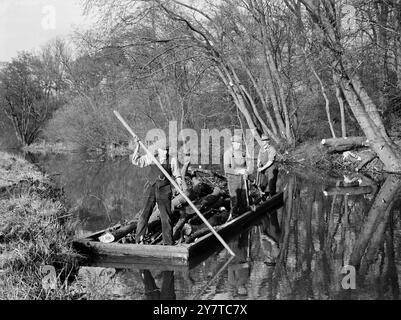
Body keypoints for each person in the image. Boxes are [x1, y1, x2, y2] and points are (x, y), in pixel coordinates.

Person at [131, 138, 182, 245]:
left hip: (164, 189)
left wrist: (179, 186)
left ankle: (168, 242)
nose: (164, 152)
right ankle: (139, 239)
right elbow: (136, 161)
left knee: (166, 216)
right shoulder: (152, 157)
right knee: (145, 213)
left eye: (166, 150)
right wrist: (137, 147)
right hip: (151, 187)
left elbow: (177, 175)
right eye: (162, 149)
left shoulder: (172, 159)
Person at [223, 134, 252, 221]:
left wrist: (247, 172)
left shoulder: (243, 153)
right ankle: (233, 216)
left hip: (243, 180)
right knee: (234, 199)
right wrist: (238, 171)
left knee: (243, 199)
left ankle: (244, 215)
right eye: (236, 143)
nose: (238, 145)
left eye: (239, 143)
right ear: (232, 143)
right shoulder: (228, 153)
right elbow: (226, 169)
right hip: (233, 180)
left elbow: (248, 166)